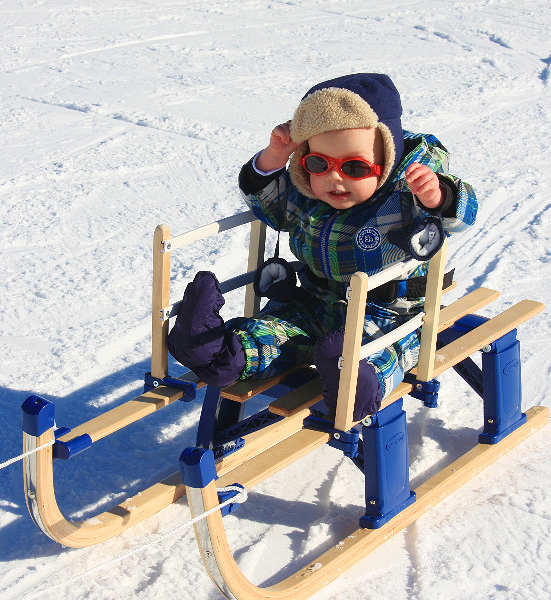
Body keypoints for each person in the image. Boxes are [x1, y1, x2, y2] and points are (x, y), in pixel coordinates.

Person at [168, 73, 477, 422]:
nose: (335, 178)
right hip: (314, 303)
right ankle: (212, 349)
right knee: (274, 333)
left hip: (388, 314)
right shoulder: (307, 192)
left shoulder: (406, 194)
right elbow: (267, 204)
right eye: (319, 164)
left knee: (381, 351)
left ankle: (355, 385)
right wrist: (273, 157)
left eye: (355, 167)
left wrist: (438, 196)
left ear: (388, 160)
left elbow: (460, 218)